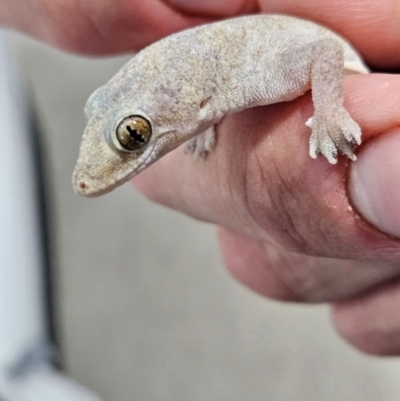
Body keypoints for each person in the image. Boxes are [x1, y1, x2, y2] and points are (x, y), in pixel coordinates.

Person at [2, 0, 400, 356]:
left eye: (134, 135)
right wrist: (203, 123)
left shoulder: (258, 79)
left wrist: (329, 114)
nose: (90, 176)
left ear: (197, 102)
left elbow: (324, 52)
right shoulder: (210, 95)